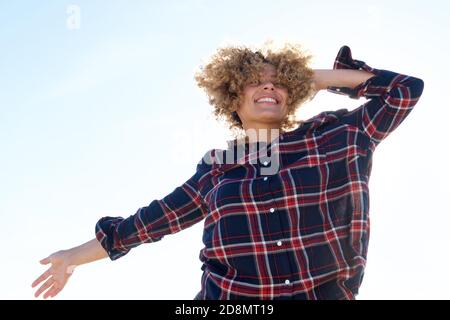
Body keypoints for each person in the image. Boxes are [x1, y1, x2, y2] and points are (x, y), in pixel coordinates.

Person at [31, 43, 424, 300]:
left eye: (280, 82)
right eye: (254, 82)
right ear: (233, 99)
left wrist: (317, 78)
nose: (268, 87)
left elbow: (405, 90)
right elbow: (149, 222)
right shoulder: (217, 167)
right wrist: (71, 257)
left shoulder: (338, 134)